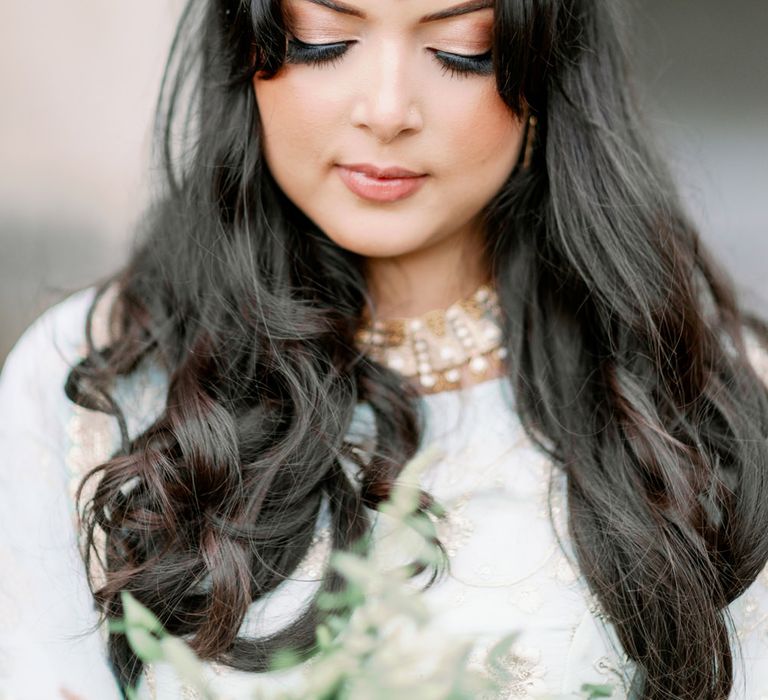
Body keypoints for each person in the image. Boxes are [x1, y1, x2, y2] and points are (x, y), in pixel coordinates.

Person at [2, 0, 768, 698]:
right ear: (248, 43)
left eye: (463, 50)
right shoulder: (94, 381)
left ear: (544, 68)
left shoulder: (706, 397)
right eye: (326, 40)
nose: (389, 110)